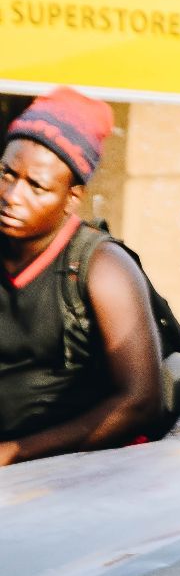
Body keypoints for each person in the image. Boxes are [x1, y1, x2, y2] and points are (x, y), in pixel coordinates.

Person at [0, 88, 163, 464]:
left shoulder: (102, 269)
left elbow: (140, 402)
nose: (12, 195)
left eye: (36, 186)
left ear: (72, 198)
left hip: (77, 475)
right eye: (7, 174)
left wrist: (13, 455)